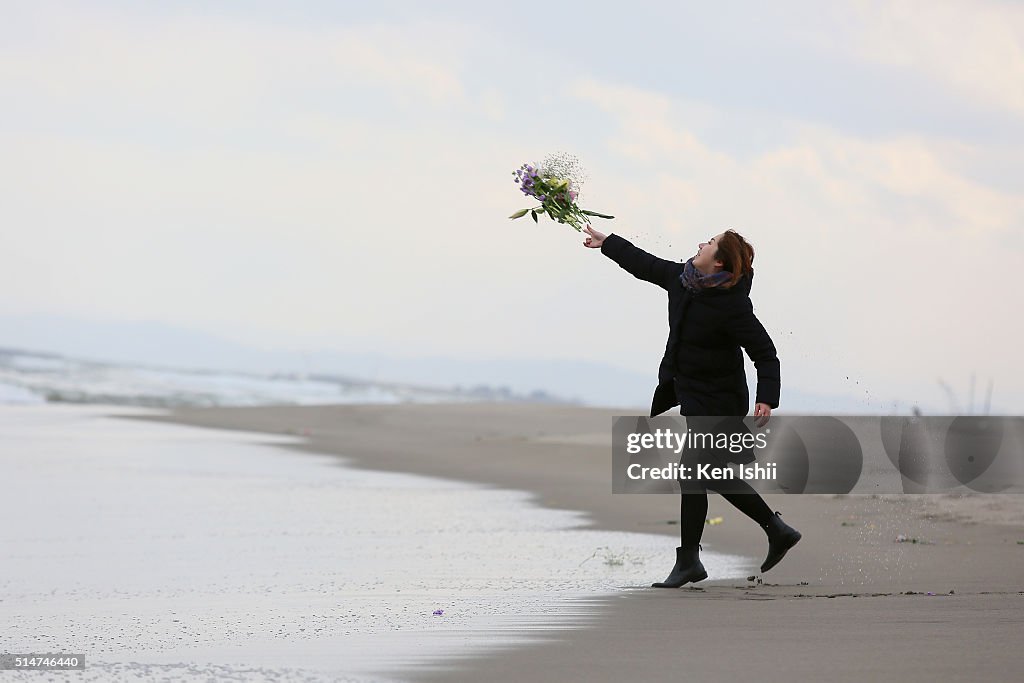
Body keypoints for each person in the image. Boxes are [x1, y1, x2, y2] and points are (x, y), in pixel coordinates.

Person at [583, 224, 802, 587]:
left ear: (718, 263)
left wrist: (766, 398)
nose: (701, 243)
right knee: (705, 473)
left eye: (710, 243)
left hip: (721, 399)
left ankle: (693, 560)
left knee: (694, 472)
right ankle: (773, 530)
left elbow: (765, 353)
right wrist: (609, 244)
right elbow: (644, 264)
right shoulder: (682, 280)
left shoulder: (732, 306)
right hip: (693, 393)